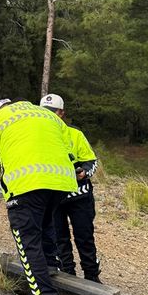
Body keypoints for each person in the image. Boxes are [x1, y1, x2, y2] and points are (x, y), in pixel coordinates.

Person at [0, 97, 76, 295]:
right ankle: (49, 266)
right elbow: (68, 147)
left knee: (27, 240)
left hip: (26, 185)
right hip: (61, 182)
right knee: (46, 224)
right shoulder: (48, 115)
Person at [40, 94, 102, 283]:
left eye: (53, 112)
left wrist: (84, 172)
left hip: (79, 196)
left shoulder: (74, 134)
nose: (49, 115)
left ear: (62, 113)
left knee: (84, 237)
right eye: (45, 112)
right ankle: (68, 277)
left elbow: (91, 160)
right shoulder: (37, 137)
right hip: (53, 197)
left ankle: (92, 277)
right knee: (59, 239)